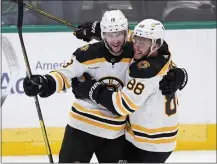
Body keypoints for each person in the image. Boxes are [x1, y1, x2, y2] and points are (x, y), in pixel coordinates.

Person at [23, 10, 187, 163]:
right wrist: (45, 82)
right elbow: (64, 74)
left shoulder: (135, 53)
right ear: (102, 35)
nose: (115, 40)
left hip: (115, 133)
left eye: (119, 34)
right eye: (109, 35)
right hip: (81, 127)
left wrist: (180, 73)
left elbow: (158, 59)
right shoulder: (87, 53)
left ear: (126, 34)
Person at [71, 19, 188, 163]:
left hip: (150, 144)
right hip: (149, 138)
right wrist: (100, 30)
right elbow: (133, 37)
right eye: (136, 41)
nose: (136, 47)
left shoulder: (146, 72)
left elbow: (122, 105)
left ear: (155, 45)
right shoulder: (161, 54)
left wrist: (90, 89)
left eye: (142, 43)